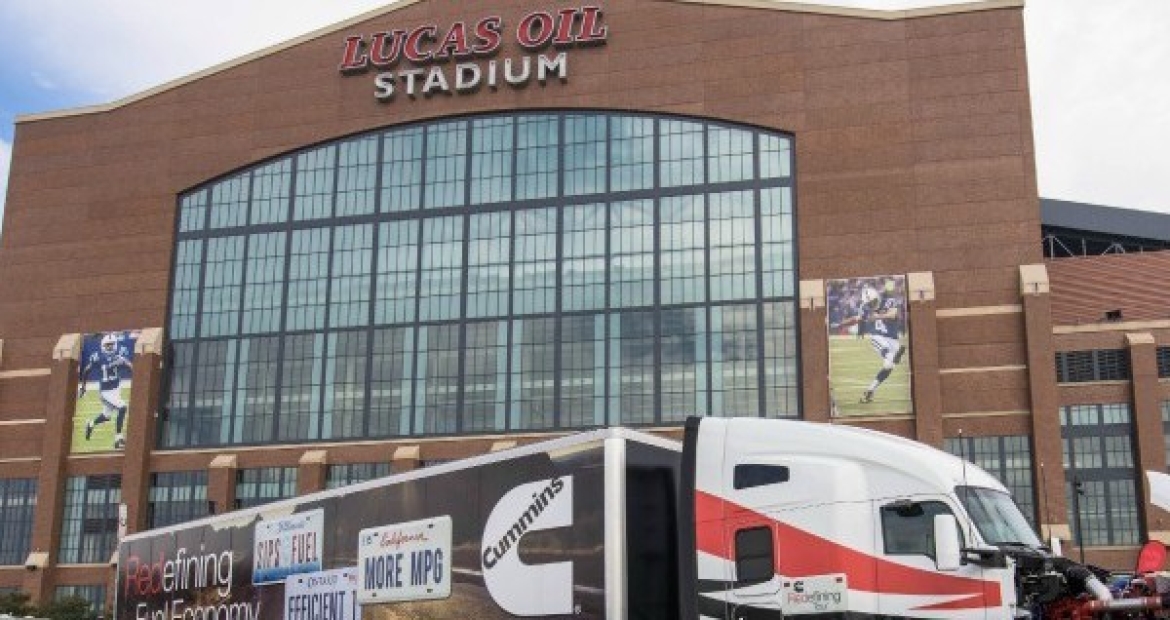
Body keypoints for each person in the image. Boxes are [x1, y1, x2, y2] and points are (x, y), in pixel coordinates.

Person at [838, 280, 906, 403]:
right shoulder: (865, 307)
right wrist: (842, 323)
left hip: (893, 338)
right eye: (870, 303)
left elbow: (893, 314)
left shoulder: (888, 301)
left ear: (878, 297)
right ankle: (895, 356)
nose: (872, 305)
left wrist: (878, 316)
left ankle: (870, 391)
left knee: (888, 366)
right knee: (889, 355)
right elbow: (857, 319)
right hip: (878, 337)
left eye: (873, 302)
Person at [79, 332, 133, 449]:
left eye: (111, 345)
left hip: (116, 389)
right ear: (103, 345)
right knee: (123, 407)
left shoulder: (119, 356)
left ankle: (90, 424)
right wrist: (83, 386)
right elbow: (86, 370)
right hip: (106, 392)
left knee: (106, 416)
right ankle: (118, 440)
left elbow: (130, 366)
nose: (110, 347)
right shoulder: (98, 357)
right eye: (107, 345)